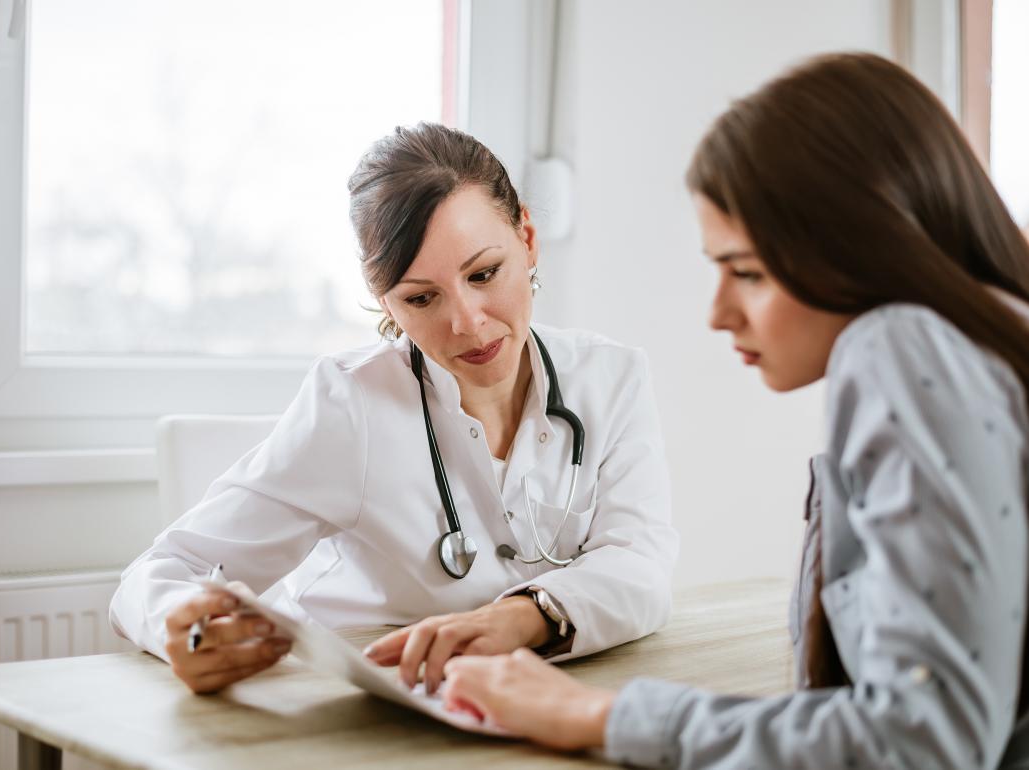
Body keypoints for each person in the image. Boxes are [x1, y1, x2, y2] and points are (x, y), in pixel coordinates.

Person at [439, 52, 1029, 769]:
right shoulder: (990, 338)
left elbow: (924, 739)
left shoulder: (899, 348)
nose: (718, 314)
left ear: (868, 246)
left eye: (746, 272)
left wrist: (600, 713)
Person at [109, 123, 679, 695]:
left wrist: (525, 616)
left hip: (528, 705)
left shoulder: (611, 378)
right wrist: (179, 629)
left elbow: (642, 565)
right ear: (385, 301)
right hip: (360, 708)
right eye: (420, 297)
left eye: (484, 274)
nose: (467, 321)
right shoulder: (351, 403)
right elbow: (158, 575)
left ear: (527, 237)